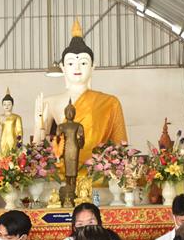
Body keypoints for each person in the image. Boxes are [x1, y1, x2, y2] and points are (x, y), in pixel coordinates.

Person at [33, 19, 127, 165]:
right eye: (70, 63)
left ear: (93, 67)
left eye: (83, 63)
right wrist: (38, 120)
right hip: (63, 169)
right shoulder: (49, 102)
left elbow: (120, 147)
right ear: (63, 67)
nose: (77, 68)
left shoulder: (110, 102)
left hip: (96, 172)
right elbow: (38, 147)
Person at [0, 88, 23, 155]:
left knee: (13, 157)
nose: (6, 106)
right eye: (4, 104)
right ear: (2, 105)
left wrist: (19, 145)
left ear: (12, 105)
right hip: (3, 139)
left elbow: (19, 132)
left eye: (9, 104)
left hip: (13, 140)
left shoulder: (16, 117)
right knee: (4, 158)